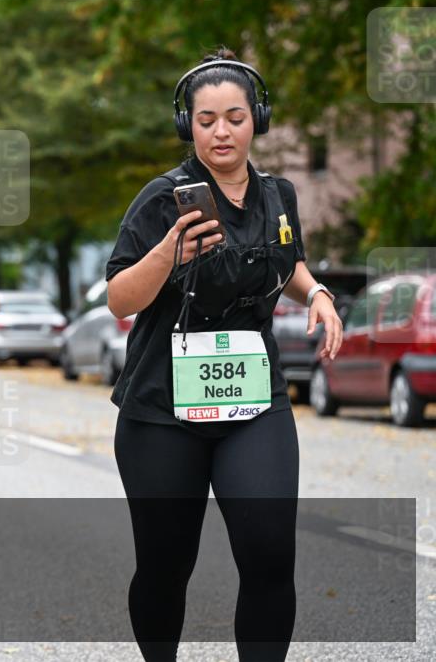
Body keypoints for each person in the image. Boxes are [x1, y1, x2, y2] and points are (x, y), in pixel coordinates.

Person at [105, 49, 344, 662]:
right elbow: (118, 298)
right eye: (206, 119)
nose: (221, 131)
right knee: (165, 565)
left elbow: (284, 262)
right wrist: (169, 254)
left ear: (256, 120)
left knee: (268, 553)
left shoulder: (279, 195)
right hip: (163, 409)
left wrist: (316, 292)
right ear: (189, 124)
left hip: (253, 401)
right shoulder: (163, 198)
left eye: (235, 117)